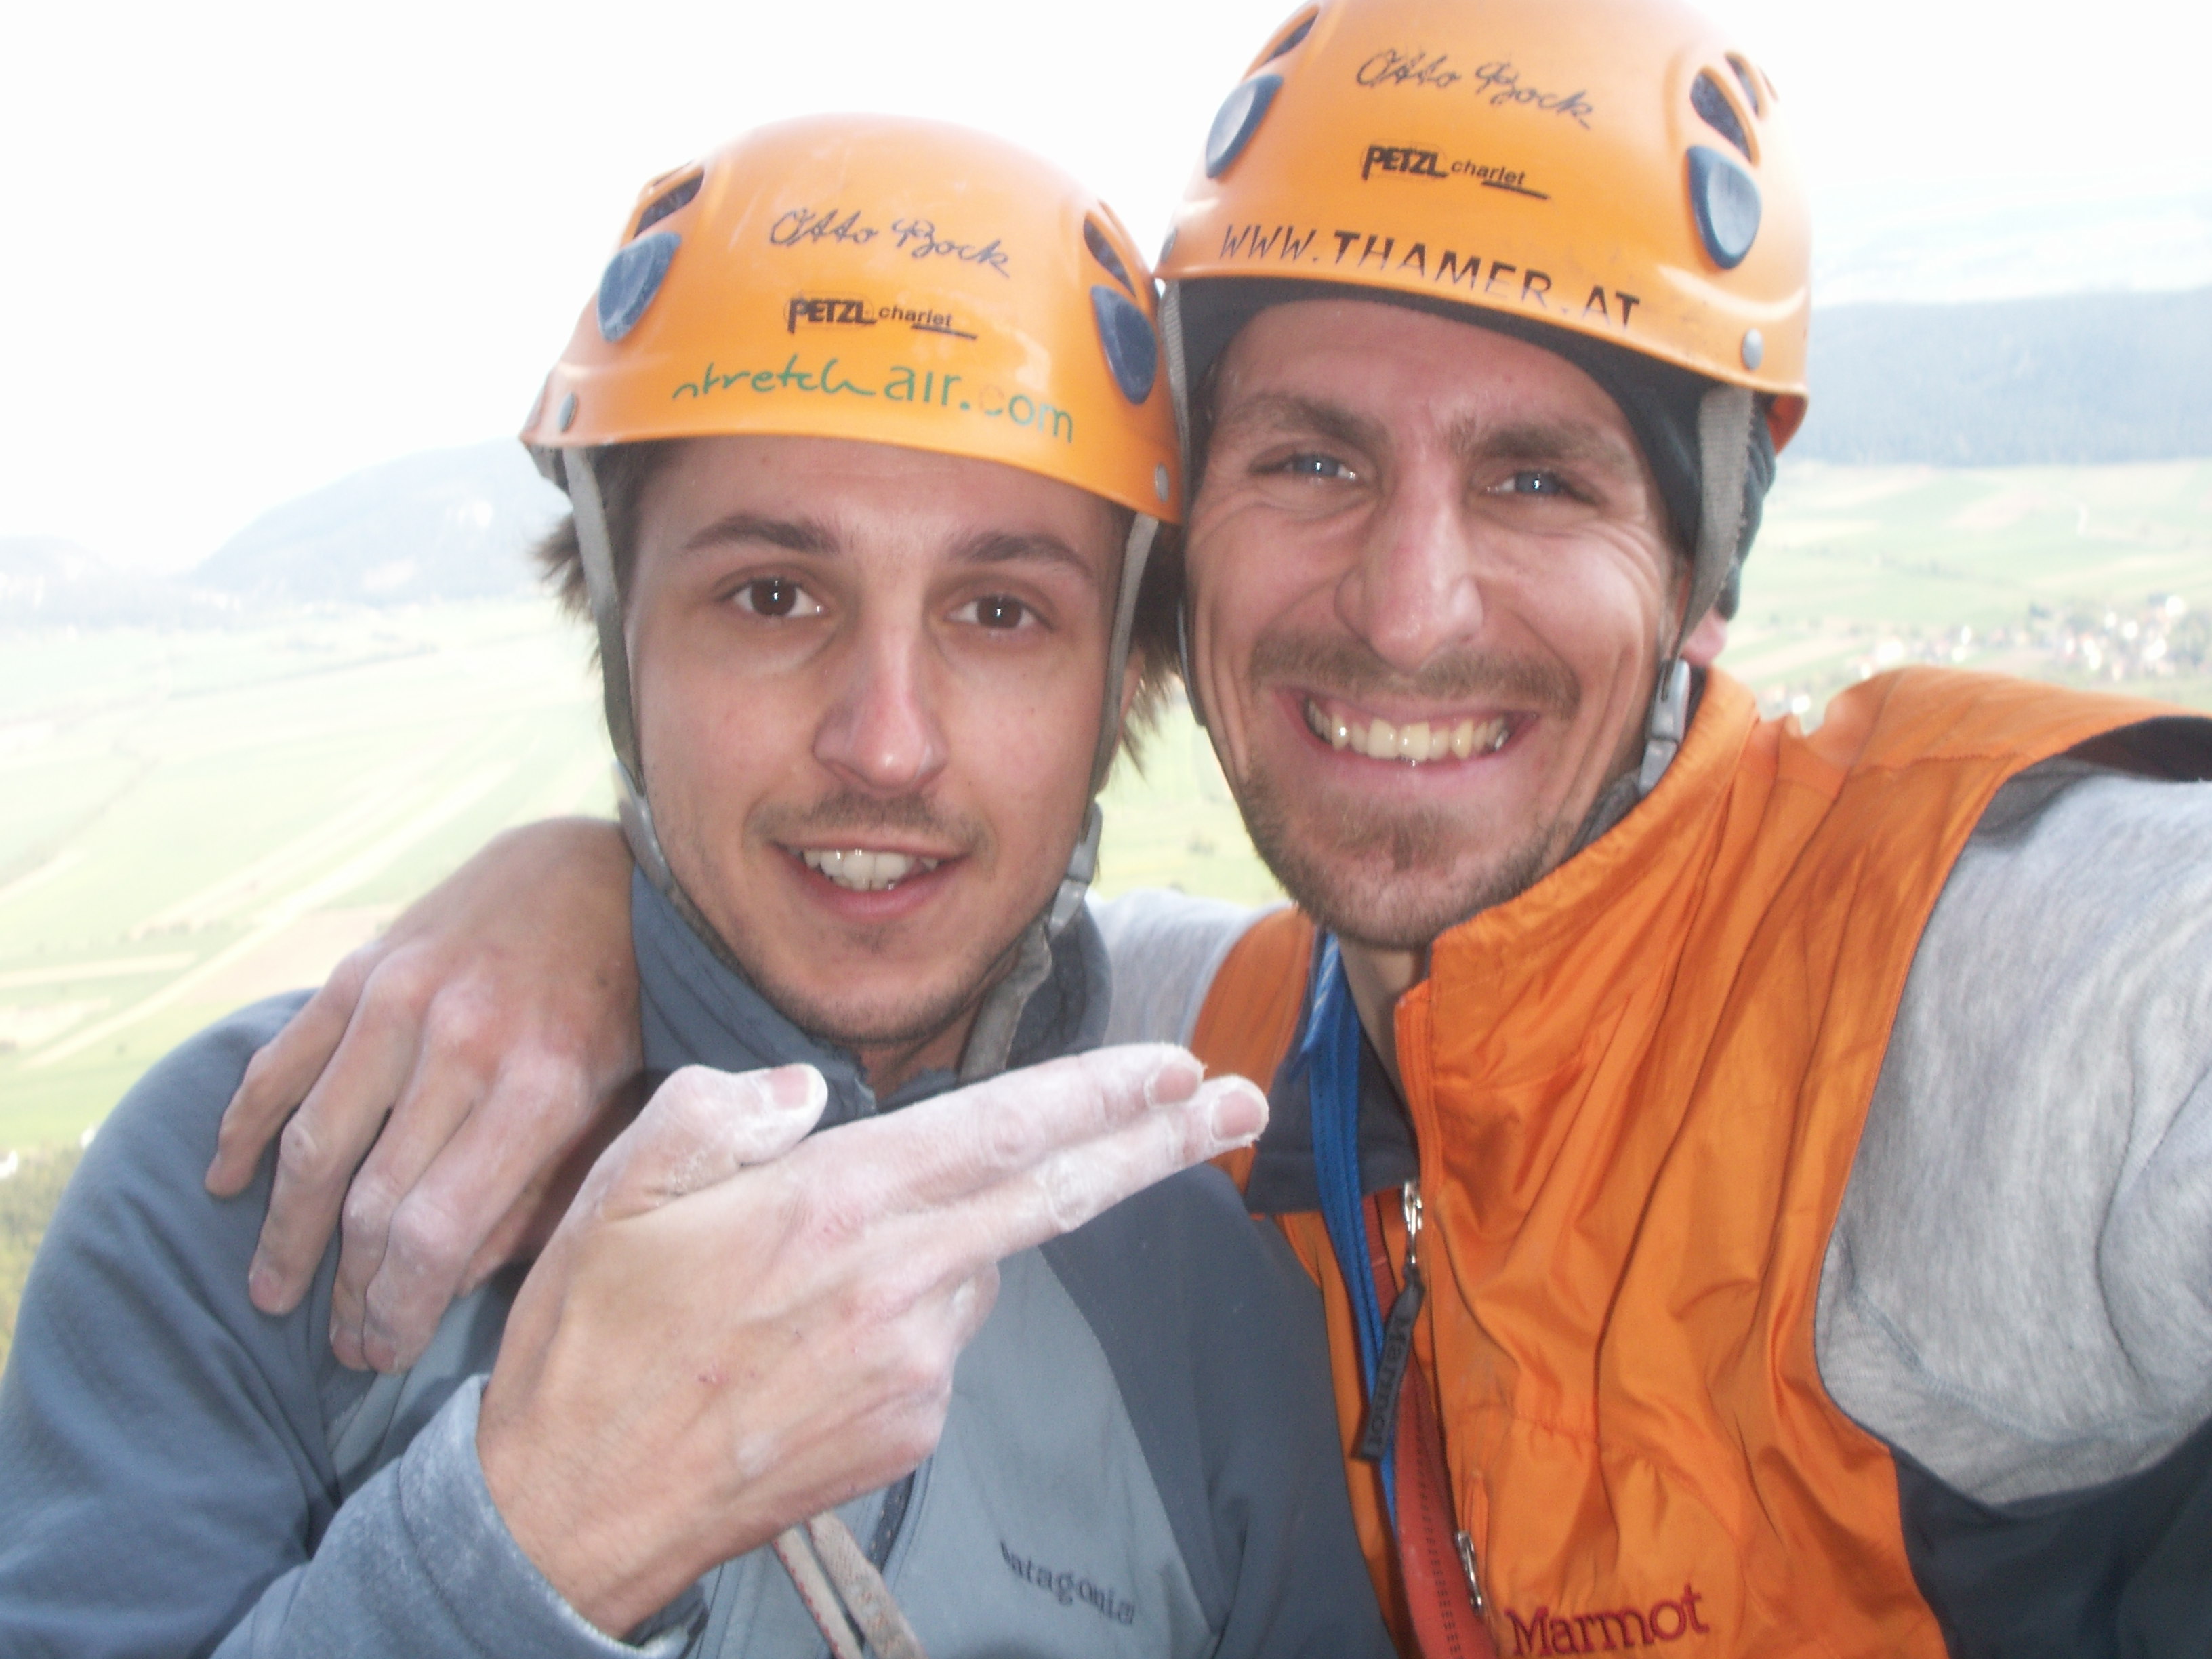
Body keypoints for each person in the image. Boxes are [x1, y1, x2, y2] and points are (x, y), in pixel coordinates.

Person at [186, 1, 2212, 1654]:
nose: (1406, 609)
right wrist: (590, 903)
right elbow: (904, 942)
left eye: (1538, 480)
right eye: (1311, 459)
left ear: (1708, 563)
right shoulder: (1191, 1072)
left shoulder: (1989, 969)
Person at [0, 117, 1399, 1658]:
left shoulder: (1204, 1299)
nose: (886, 742)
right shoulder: (286, 1170)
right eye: (772, 595)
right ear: (622, 639)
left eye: (1000, 612)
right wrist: (536, 1539)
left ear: (1120, 680)